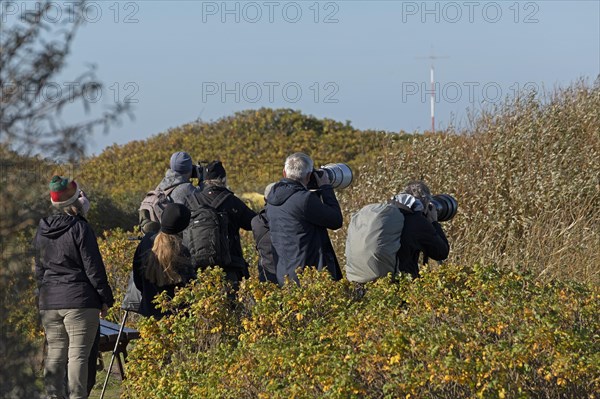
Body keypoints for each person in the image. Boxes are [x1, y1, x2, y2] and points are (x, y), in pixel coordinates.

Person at [35, 176, 114, 399]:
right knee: (78, 355)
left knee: (55, 355)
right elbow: (93, 269)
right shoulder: (80, 228)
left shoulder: (42, 230)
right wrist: (105, 298)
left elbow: (39, 270)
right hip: (79, 301)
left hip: (50, 301)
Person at [266, 153, 343, 285]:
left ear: (284, 173)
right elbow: (336, 221)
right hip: (309, 275)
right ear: (309, 176)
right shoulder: (304, 199)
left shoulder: (272, 197)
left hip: (285, 273)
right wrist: (326, 187)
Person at [186, 161, 257, 288]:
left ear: (204, 181)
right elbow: (253, 223)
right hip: (230, 268)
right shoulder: (232, 201)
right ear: (223, 180)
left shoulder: (191, 201)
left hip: (198, 270)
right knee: (231, 305)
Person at [133, 203, 196, 319]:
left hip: (148, 315)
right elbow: (190, 288)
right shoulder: (182, 251)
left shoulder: (146, 241)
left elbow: (137, 279)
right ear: (184, 226)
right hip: (176, 318)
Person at [390, 180, 450, 278]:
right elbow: (441, 252)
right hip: (401, 280)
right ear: (426, 201)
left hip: (376, 278)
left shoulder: (390, 214)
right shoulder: (417, 221)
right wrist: (433, 222)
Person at [139, 151, 201, 234]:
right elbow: (204, 204)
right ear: (190, 168)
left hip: (157, 238)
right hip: (176, 239)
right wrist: (203, 182)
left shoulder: (162, 184)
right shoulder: (187, 189)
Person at [251, 182, 278, 283]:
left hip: (266, 271)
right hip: (288, 271)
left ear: (265, 199)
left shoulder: (256, 221)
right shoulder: (289, 218)